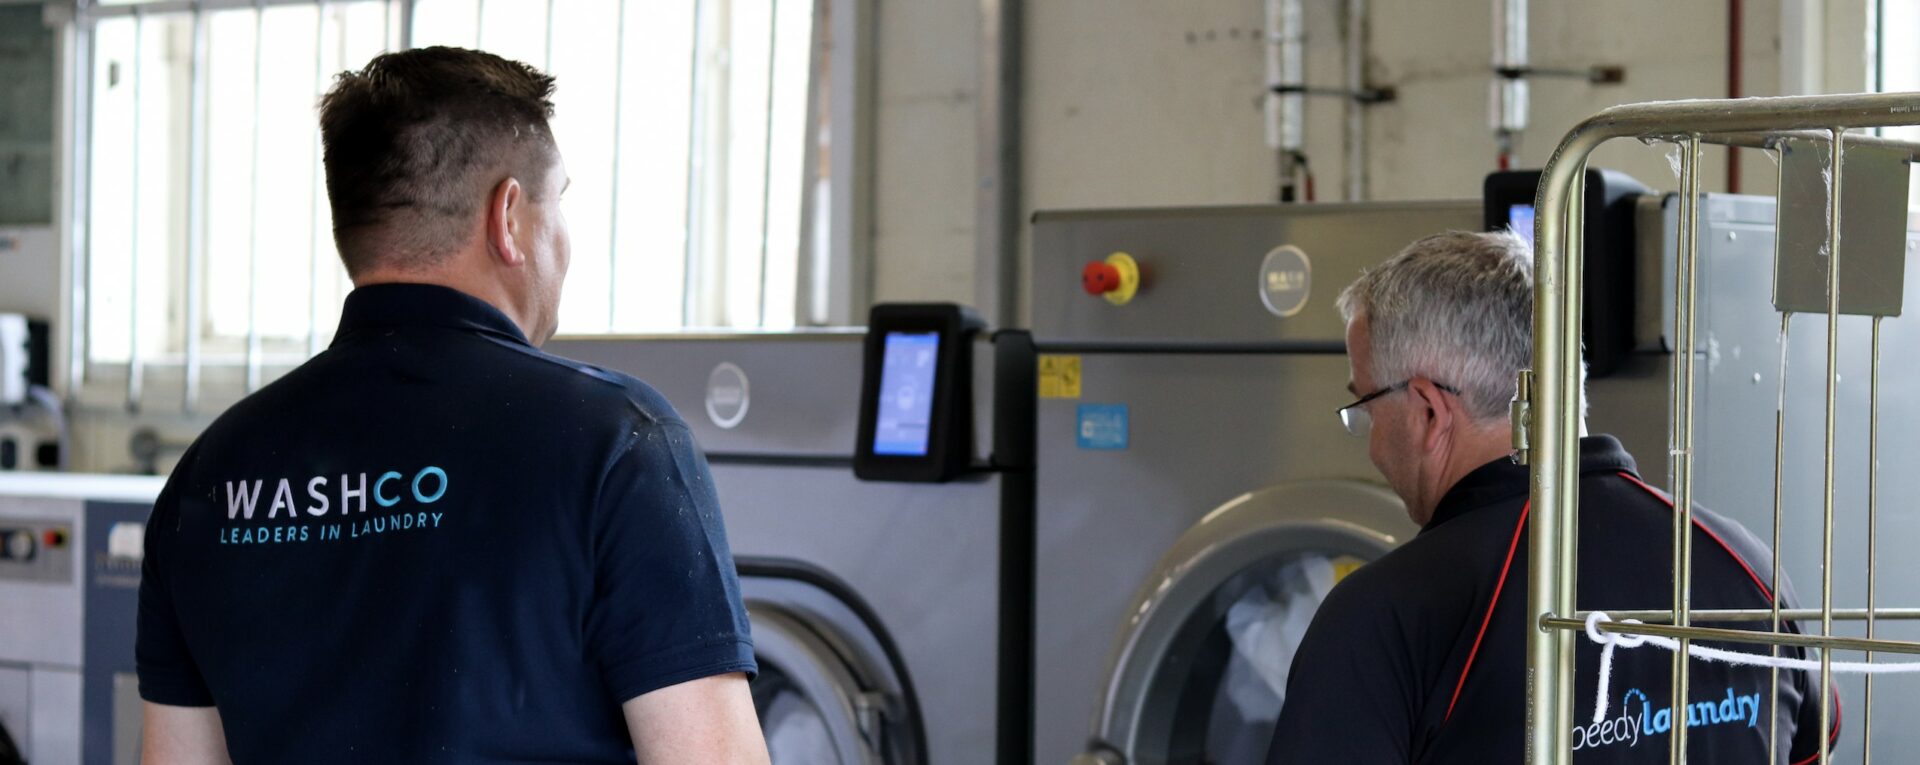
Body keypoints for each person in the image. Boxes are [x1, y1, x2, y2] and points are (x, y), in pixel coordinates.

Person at [136, 47, 769, 764]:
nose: (564, 239)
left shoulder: (209, 476)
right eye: (558, 201)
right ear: (508, 218)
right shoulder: (616, 444)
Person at [1265, 230, 1838, 763]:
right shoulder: (1744, 565)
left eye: (1365, 408)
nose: (1370, 447)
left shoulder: (1385, 616)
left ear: (1427, 410)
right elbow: (1816, 739)